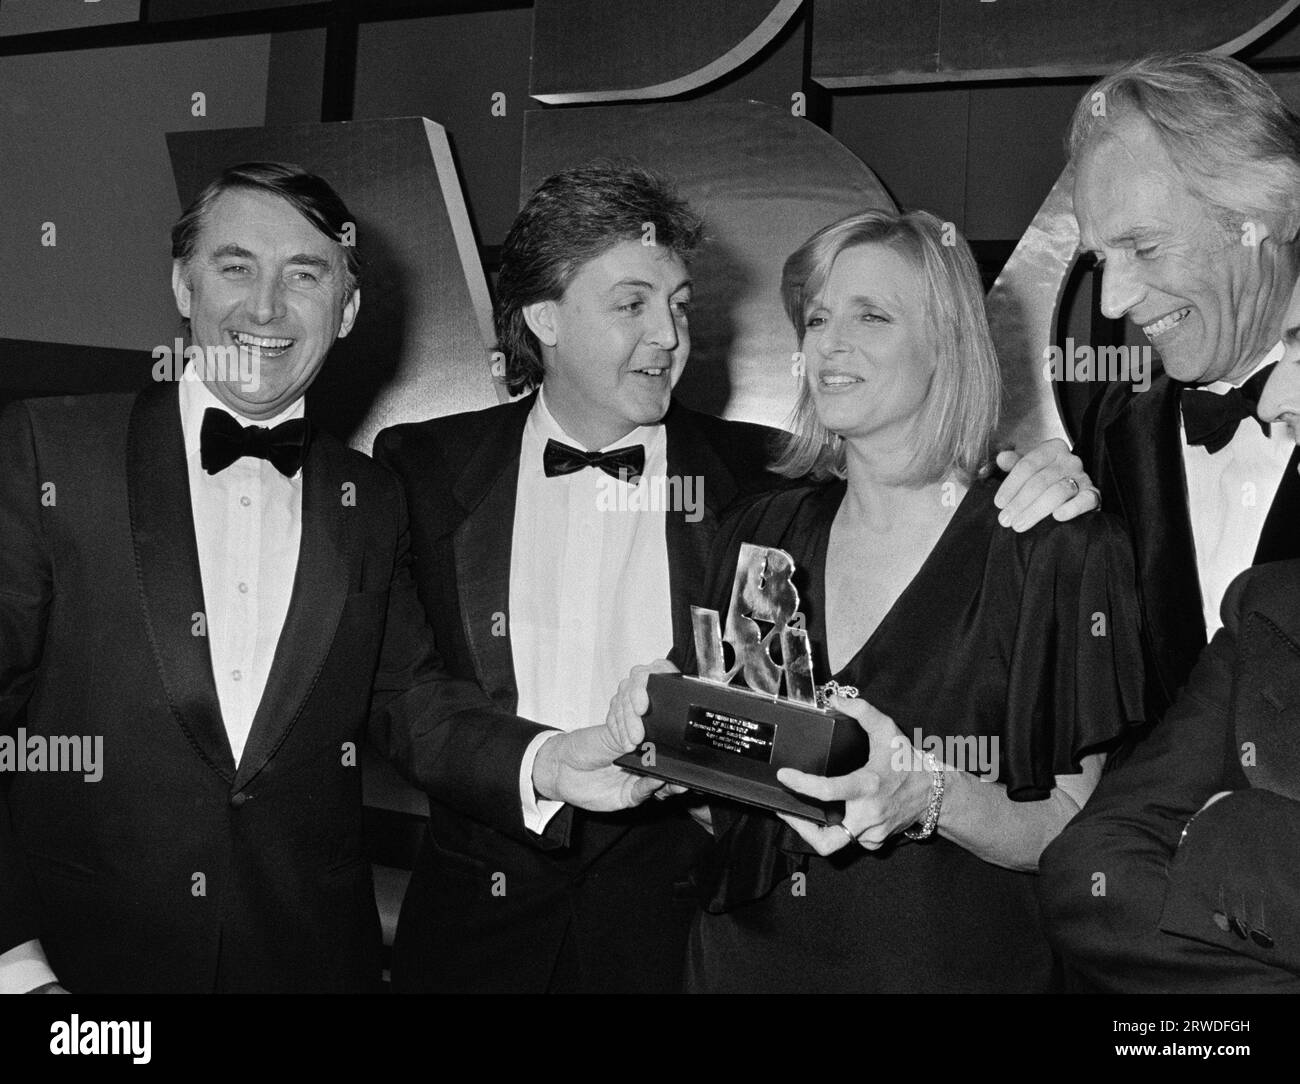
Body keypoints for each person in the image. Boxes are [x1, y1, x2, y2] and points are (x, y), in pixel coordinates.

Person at [0, 162, 655, 995]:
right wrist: (16, 968)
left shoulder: (372, 495)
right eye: (236, 267)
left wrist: (551, 762)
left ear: (345, 311)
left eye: (304, 275)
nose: (265, 307)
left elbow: (407, 697)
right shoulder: (47, 451)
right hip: (73, 971)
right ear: (182, 283)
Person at [610, 208, 1145, 993]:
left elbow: (1073, 829)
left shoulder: (1052, 547)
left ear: (948, 345)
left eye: (872, 315)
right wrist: (661, 734)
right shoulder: (763, 530)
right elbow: (725, 793)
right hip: (742, 964)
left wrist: (929, 792)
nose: (829, 341)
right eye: (819, 316)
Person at [1001, 52, 1300, 724]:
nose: (1112, 302)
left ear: (1271, 211)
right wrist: (1068, 554)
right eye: (1102, 259)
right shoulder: (1119, 430)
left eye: (1145, 247)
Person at [1036, 285, 1300, 993]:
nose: (1275, 398)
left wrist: (1215, 842)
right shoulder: (1267, 603)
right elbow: (1086, 873)